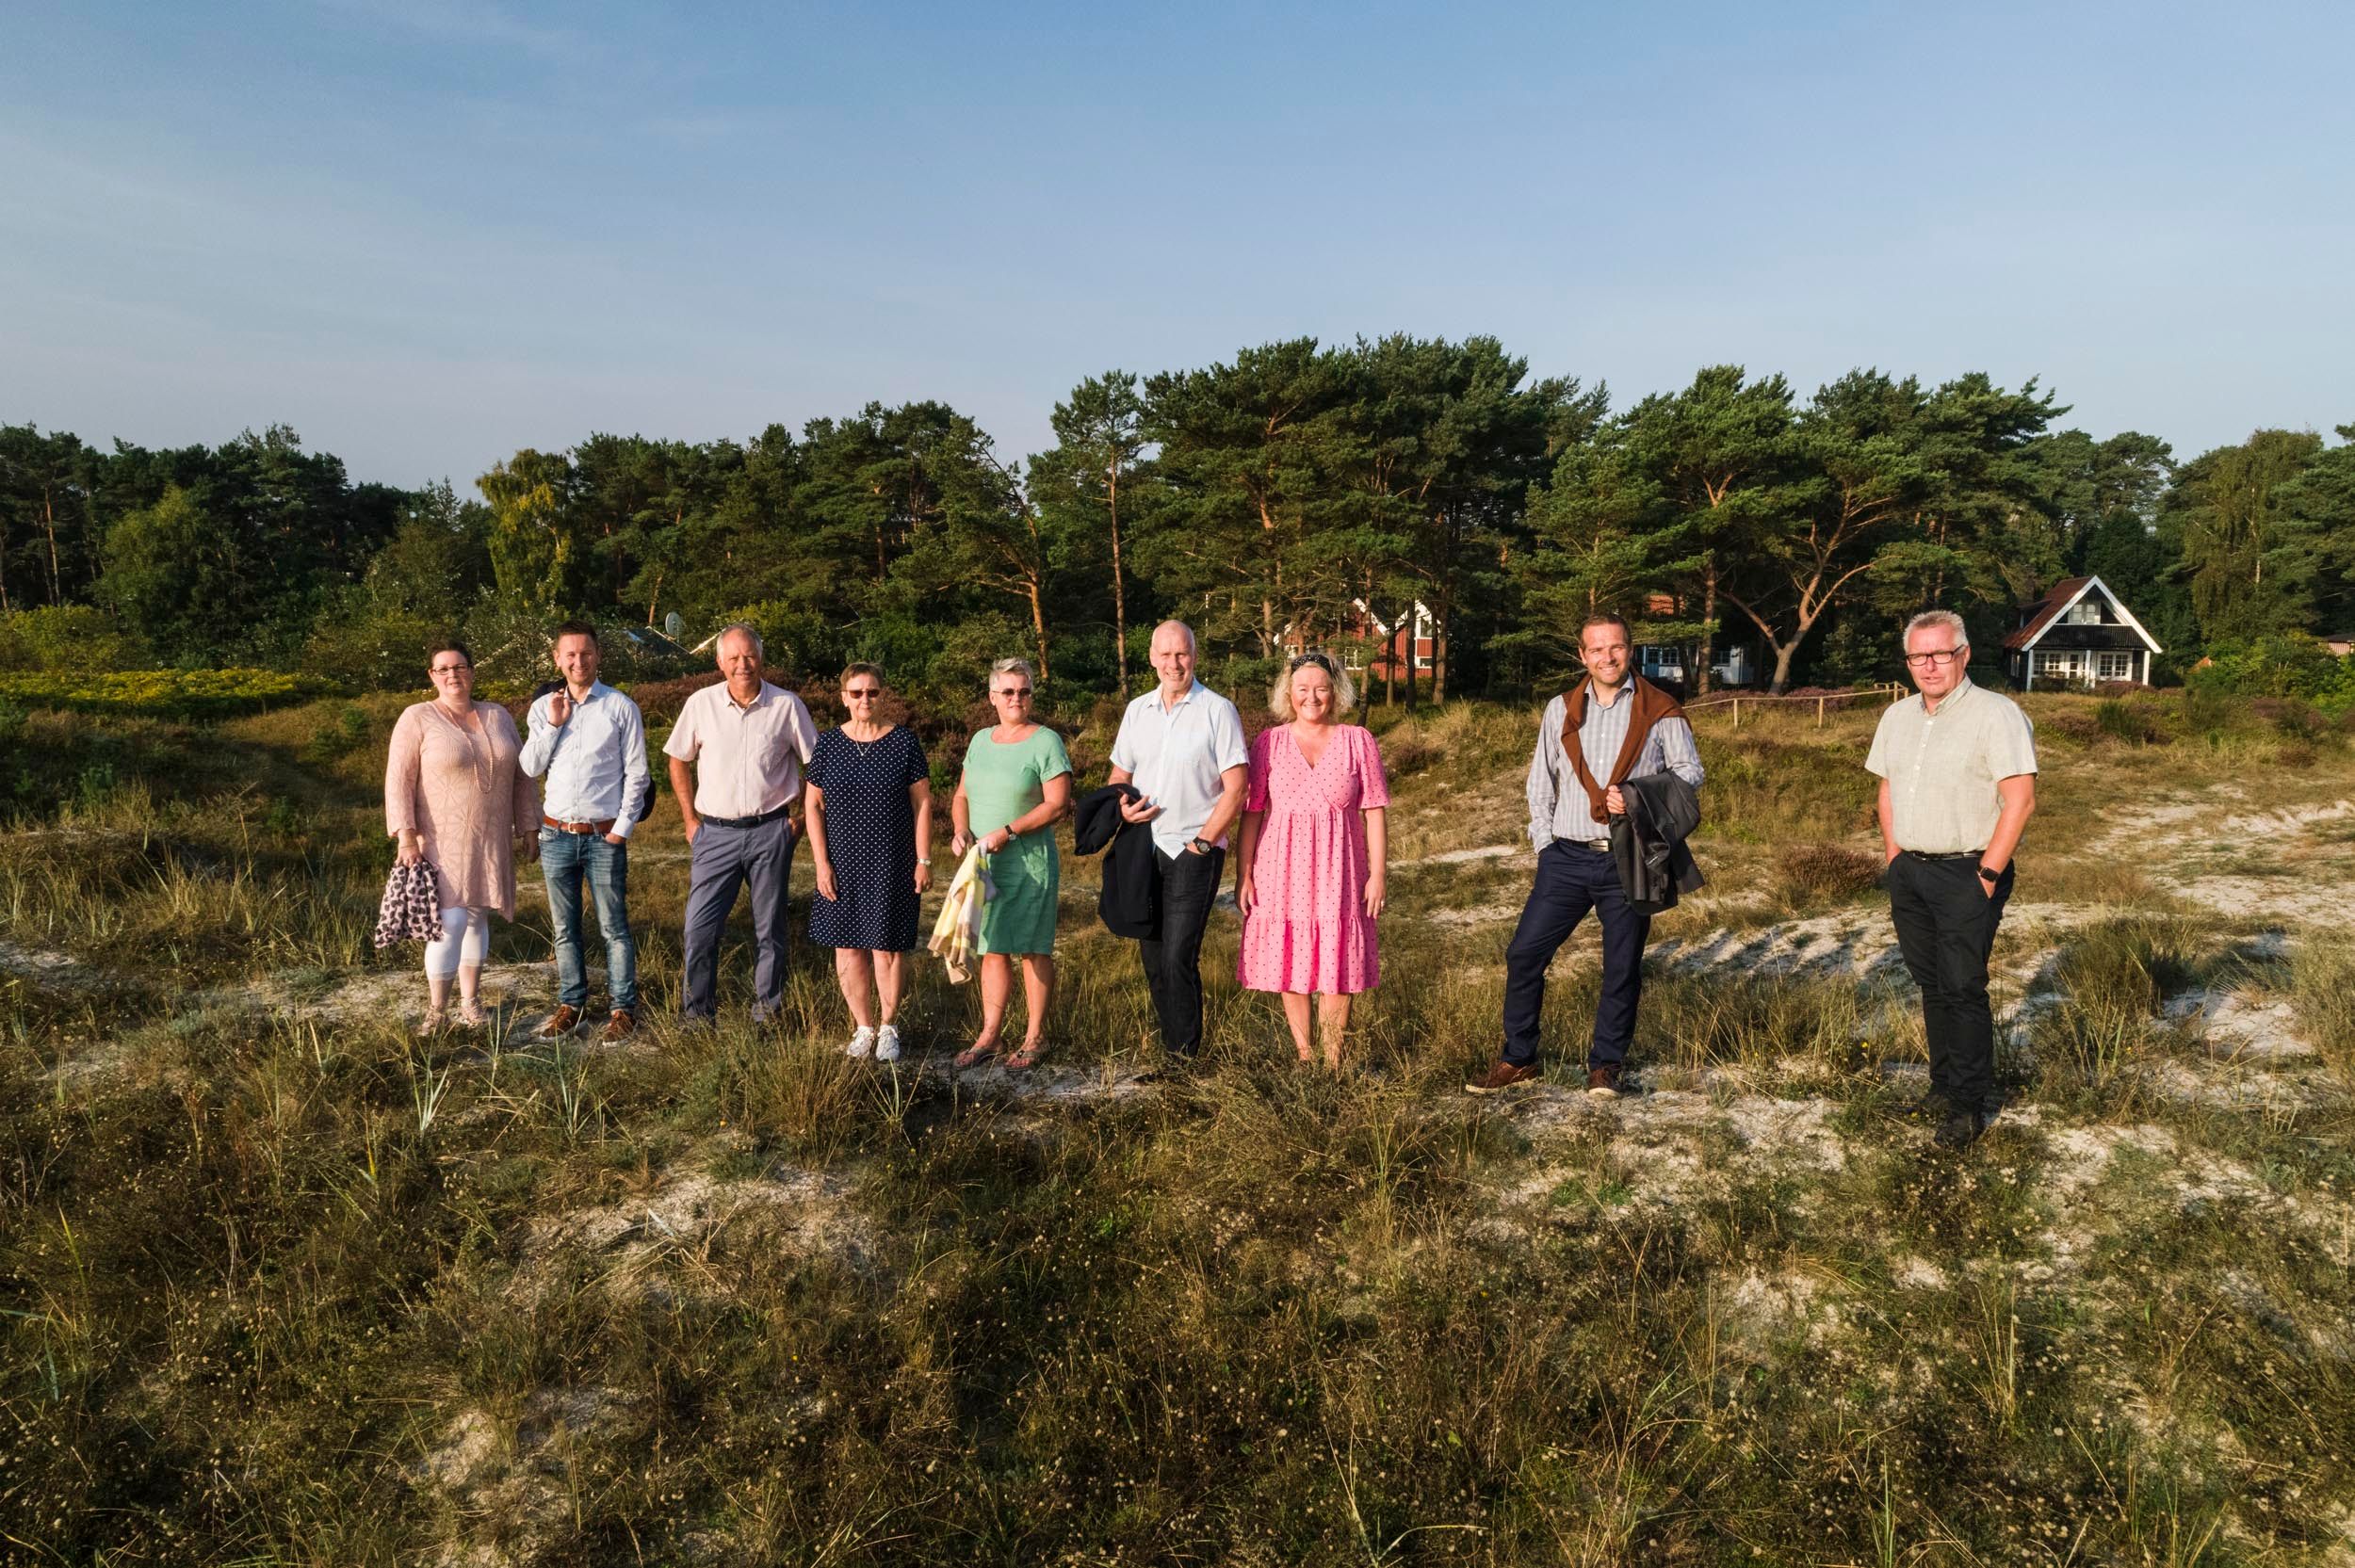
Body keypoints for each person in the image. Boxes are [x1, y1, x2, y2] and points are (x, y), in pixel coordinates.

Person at [1468, 613, 1704, 1096]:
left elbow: (1690, 773)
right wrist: (1544, 844)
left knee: (1621, 965)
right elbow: (1542, 780)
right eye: (1596, 649)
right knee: (1524, 954)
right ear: (1582, 655)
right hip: (1566, 858)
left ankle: (1606, 1066)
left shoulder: (1660, 708)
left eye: (1615, 647)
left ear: (1630, 649)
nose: (1607, 657)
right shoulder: (1561, 708)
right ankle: (1519, 1058)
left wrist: (1638, 794)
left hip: (1630, 857)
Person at [1868, 608, 2038, 1149]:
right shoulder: (1896, 717)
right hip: (1910, 872)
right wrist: (1894, 857)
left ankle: (1968, 1105)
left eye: (1940, 653)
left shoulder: (1997, 714)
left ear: (1963, 654)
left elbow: (2021, 800)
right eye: (1918, 656)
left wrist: (1987, 874)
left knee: (1963, 989)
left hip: (1969, 870)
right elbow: (1887, 789)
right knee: (1931, 985)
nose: (1929, 665)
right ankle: (1942, 1086)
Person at [1235, 653, 1389, 1068]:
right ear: (1288, 693)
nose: (1312, 697)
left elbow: (1374, 810)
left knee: (1336, 963)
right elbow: (1252, 812)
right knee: (1292, 962)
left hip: (1341, 869)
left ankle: (1333, 1061)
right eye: (1302, 688)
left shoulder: (1359, 740)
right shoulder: (1269, 742)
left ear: (1336, 692)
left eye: (1321, 688)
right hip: (1280, 869)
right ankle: (1305, 1057)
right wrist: (1244, 874)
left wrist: (1378, 874)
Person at [1105, 621, 1248, 1061]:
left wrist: (1203, 844)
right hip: (1144, 849)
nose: (1174, 663)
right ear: (1151, 658)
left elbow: (1237, 786)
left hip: (1194, 850)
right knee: (1153, 962)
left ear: (1195, 656)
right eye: (1165, 655)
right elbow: (1118, 776)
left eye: (1181, 654)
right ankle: (1173, 1052)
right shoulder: (1137, 710)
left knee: (1177, 958)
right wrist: (1122, 807)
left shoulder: (1217, 710)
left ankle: (1185, 1060)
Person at [663, 624, 818, 1028]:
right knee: (699, 929)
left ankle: (767, 1015)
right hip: (713, 834)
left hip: (771, 831)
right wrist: (689, 819)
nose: (742, 665)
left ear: (760, 658)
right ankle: (698, 1015)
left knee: (770, 930)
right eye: (732, 658)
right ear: (719, 662)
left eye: (748, 656)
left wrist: (798, 817)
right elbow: (678, 759)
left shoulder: (787, 706)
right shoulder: (701, 704)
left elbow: (815, 766)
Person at [383, 639, 538, 1032]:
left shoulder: (498, 715)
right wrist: (405, 836)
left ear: (472, 670)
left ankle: (471, 1003)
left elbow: (522, 776)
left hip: (492, 836)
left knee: (476, 918)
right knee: (448, 921)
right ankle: (437, 1011)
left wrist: (530, 825)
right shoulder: (417, 717)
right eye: (444, 669)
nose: (453, 675)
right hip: (439, 840)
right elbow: (398, 780)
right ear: (432, 676)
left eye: (460, 667)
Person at [520, 622, 651, 1043]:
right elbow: (530, 767)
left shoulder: (619, 707)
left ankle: (622, 1010)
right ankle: (571, 1005)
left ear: (598, 657)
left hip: (603, 837)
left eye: (586, 653)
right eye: (570, 654)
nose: (579, 661)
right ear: (557, 659)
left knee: (614, 927)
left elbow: (638, 774)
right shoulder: (543, 708)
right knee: (565, 929)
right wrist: (555, 724)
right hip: (556, 835)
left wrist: (622, 829)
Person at [949, 658, 1072, 1071]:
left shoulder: (1046, 741)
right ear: (992, 698)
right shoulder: (981, 740)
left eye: (1024, 691)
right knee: (992, 949)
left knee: (1032, 949)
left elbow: (1057, 805)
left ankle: (1034, 1037)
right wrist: (961, 831)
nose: (1016, 698)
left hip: (1028, 860)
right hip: (983, 862)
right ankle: (990, 1035)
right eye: (1008, 692)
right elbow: (962, 795)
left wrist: (1007, 831)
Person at [804, 663, 933, 1060]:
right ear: (843, 697)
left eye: (872, 692)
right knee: (846, 947)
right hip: (841, 862)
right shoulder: (828, 744)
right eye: (856, 693)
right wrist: (821, 864)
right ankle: (863, 1027)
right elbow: (812, 805)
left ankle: (889, 1028)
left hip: (892, 860)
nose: (865, 699)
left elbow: (923, 803)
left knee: (887, 948)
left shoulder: (905, 743)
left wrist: (924, 858)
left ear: (883, 695)